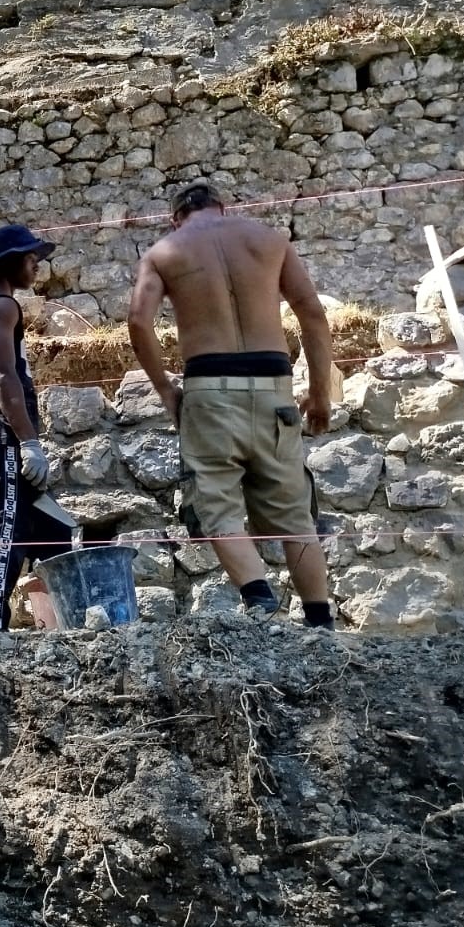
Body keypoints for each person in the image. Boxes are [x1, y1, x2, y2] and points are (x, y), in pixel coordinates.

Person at [127, 182, 335, 629]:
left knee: (216, 507)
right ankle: (321, 624)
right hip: (274, 387)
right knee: (294, 515)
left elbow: (138, 320)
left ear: (175, 217)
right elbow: (312, 314)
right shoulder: (269, 239)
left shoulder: (165, 251)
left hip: (208, 390)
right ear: (224, 208)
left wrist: (165, 389)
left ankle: (260, 606)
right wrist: (320, 394)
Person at [0, 224, 76, 632]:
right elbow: (3, 376)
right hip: (1, 434)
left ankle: (70, 619)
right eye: (31, 259)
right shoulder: (2, 306)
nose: (37, 266)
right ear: (11, 263)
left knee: (53, 530)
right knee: (4, 526)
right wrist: (29, 442)